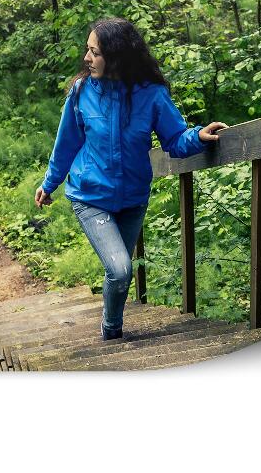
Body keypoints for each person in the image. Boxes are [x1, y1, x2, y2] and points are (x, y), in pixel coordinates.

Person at [34, 17, 228, 340]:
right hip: (90, 197)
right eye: (88, 50)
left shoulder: (151, 95)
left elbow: (175, 139)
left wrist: (198, 136)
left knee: (119, 275)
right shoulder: (81, 92)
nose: (86, 58)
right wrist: (49, 183)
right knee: (121, 269)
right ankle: (111, 332)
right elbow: (65, 143)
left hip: (133, 200)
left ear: (117, 56)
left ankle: (114, 329)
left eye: (94, 52)